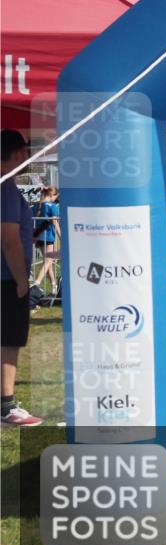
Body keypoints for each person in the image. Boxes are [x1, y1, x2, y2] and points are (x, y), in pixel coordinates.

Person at [1, 130, 43, 425]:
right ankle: (6, 405)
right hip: (6, 278)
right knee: (9, 340)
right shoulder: (5, 187)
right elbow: (9, 238)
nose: (29, 157)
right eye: (26, 152)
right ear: (18, 154)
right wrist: (21, 279)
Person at [32, 187, 60, 293]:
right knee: (49, 261)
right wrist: (62, 237)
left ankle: (54, 285)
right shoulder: (52, 206)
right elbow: (55, 223)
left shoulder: (36, 205)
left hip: (37, 236)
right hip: (47, 236)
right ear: (52, 195)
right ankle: (37, 283)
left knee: (47, 262)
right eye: (56, 196)